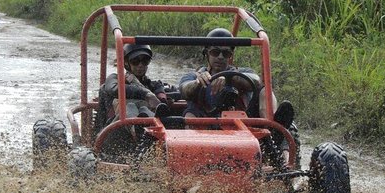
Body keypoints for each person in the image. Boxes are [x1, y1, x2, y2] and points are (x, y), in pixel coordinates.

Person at [179, 27, 296, 157]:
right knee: (189, 115)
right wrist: (199, 83)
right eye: (215, 52)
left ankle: (272, 129)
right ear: (206, 53)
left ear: (231, 56)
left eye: (226, 53)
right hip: (205, 125)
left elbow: (256, 81)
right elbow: (185, 90)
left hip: (245, 124)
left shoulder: (242, 73)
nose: (220, 57)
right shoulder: (193, 76)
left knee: (265, 90)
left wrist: (230, 77)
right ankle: (190, 155)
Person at [95, 43, 171, 134]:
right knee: (130, 106)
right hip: (113, 132)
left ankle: (146, 130)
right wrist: (146, 94)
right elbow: (114, 89)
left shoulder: (154, 85)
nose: (140, 65)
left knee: (144, 109)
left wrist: (161, 99)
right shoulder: (114, 79)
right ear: (126, 63)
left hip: (149, 128)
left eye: (145, 61)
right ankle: (136, 129)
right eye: (135, 61)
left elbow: (162, 103)